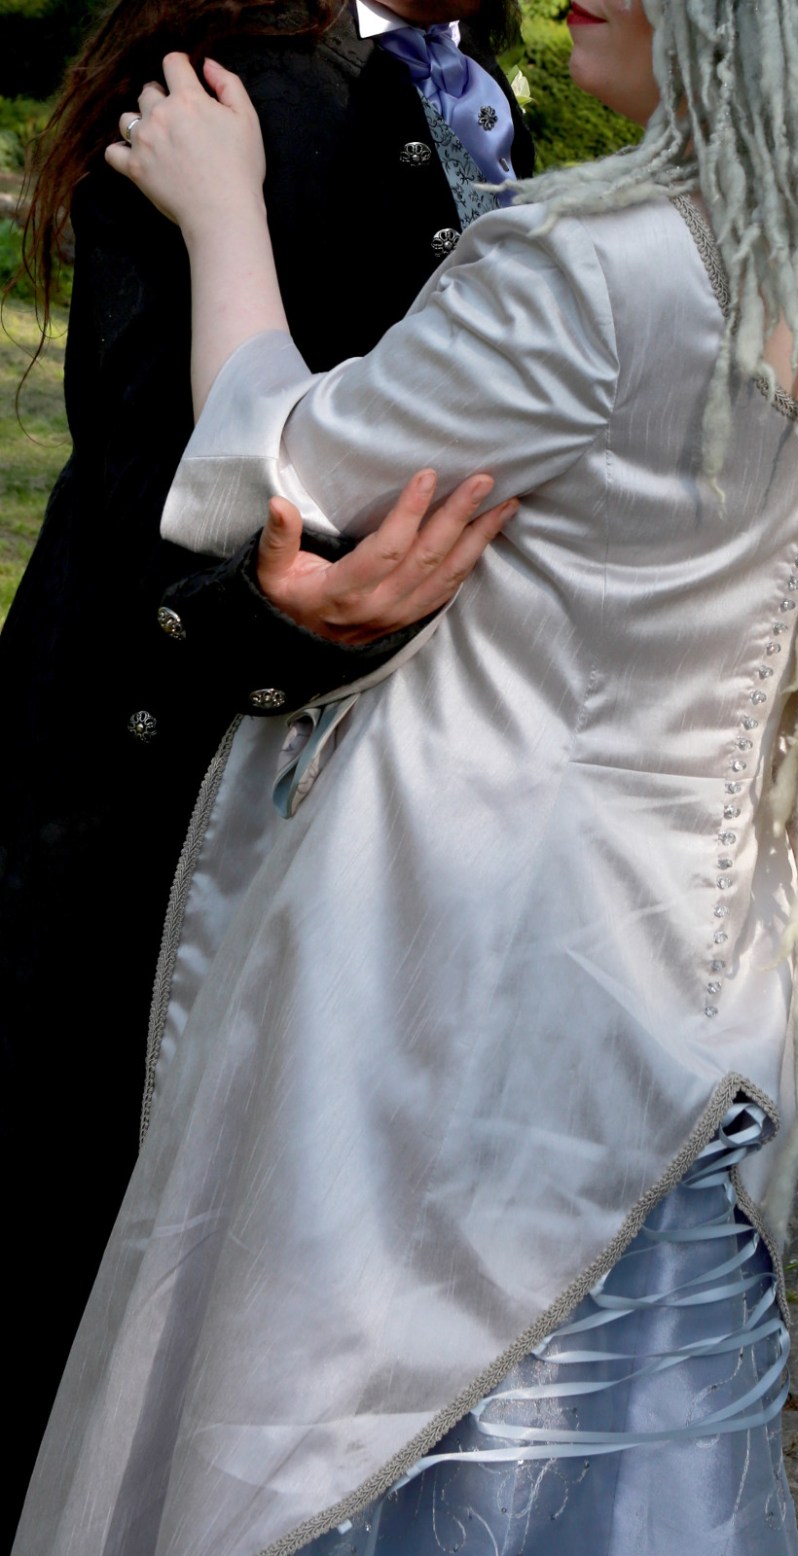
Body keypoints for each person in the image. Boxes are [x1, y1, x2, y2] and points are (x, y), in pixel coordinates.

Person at [16, 1, 798, 1552]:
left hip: (456, 994)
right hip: (695, 1015)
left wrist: (223, 210)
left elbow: (282, 468)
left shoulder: (611, 269)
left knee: (335, 1442)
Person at [0, 0, 531, 1539]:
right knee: (62, 1260)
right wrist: (295, 624)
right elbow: (144, 488)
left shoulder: (470, 91)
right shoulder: (231, 81)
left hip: (338, 814)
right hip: (136, 799)